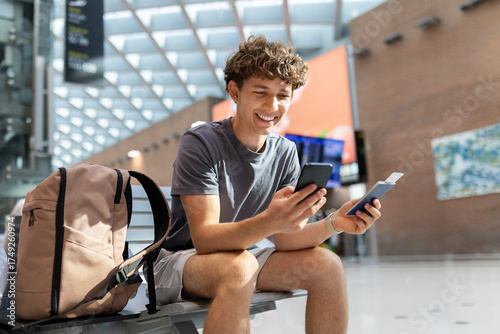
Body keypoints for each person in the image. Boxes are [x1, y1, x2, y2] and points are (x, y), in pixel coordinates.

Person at [151, 35, 382, 334]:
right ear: (235, 91)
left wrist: (335, 223)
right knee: (240, 266)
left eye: (283, 95)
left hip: (244, 256)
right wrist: (268, 221)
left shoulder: (285, 152)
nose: (272, 106)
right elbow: (205, 239)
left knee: (327, 266)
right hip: (181, 262)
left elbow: (285, 239)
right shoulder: (200, 142)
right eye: (261, 92)